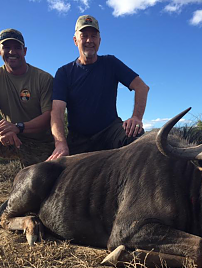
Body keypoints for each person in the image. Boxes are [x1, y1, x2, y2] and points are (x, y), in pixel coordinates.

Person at [47, 15, 149, 160]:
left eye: (93, 36)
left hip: (110, 131)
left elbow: (142, 87)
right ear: (75, 40)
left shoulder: (111, 63)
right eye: (84, 36)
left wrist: (137, 117)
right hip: (79, 138)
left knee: (136, 136)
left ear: (99, 41)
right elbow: (57, 111)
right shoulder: (64, 72)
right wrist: (60, 143)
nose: (89, 40)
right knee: (61, 171)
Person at [0, 29, 54, 167]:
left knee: (37, 180)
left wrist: (18, 127)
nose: (12, 52)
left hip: (40, 142)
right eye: (7, 47)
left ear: (25, 51)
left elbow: (49, 117)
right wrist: (1, 129)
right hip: (10, 136)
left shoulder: (43, 78)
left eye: (17, 47)